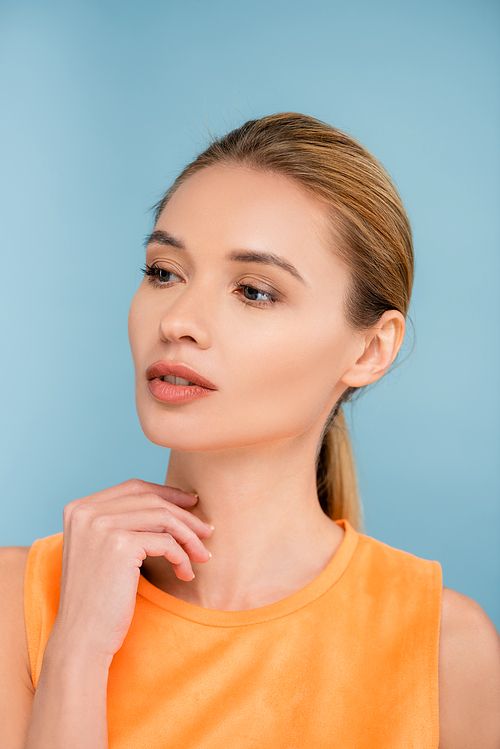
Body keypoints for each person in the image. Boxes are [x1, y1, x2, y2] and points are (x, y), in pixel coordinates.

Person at [1, 113, 499, 748]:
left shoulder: (446, 649)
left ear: (371, 350)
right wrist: (76, 652)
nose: (179, 320)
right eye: (163, 272)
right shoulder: (16, 601)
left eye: (255, 291)